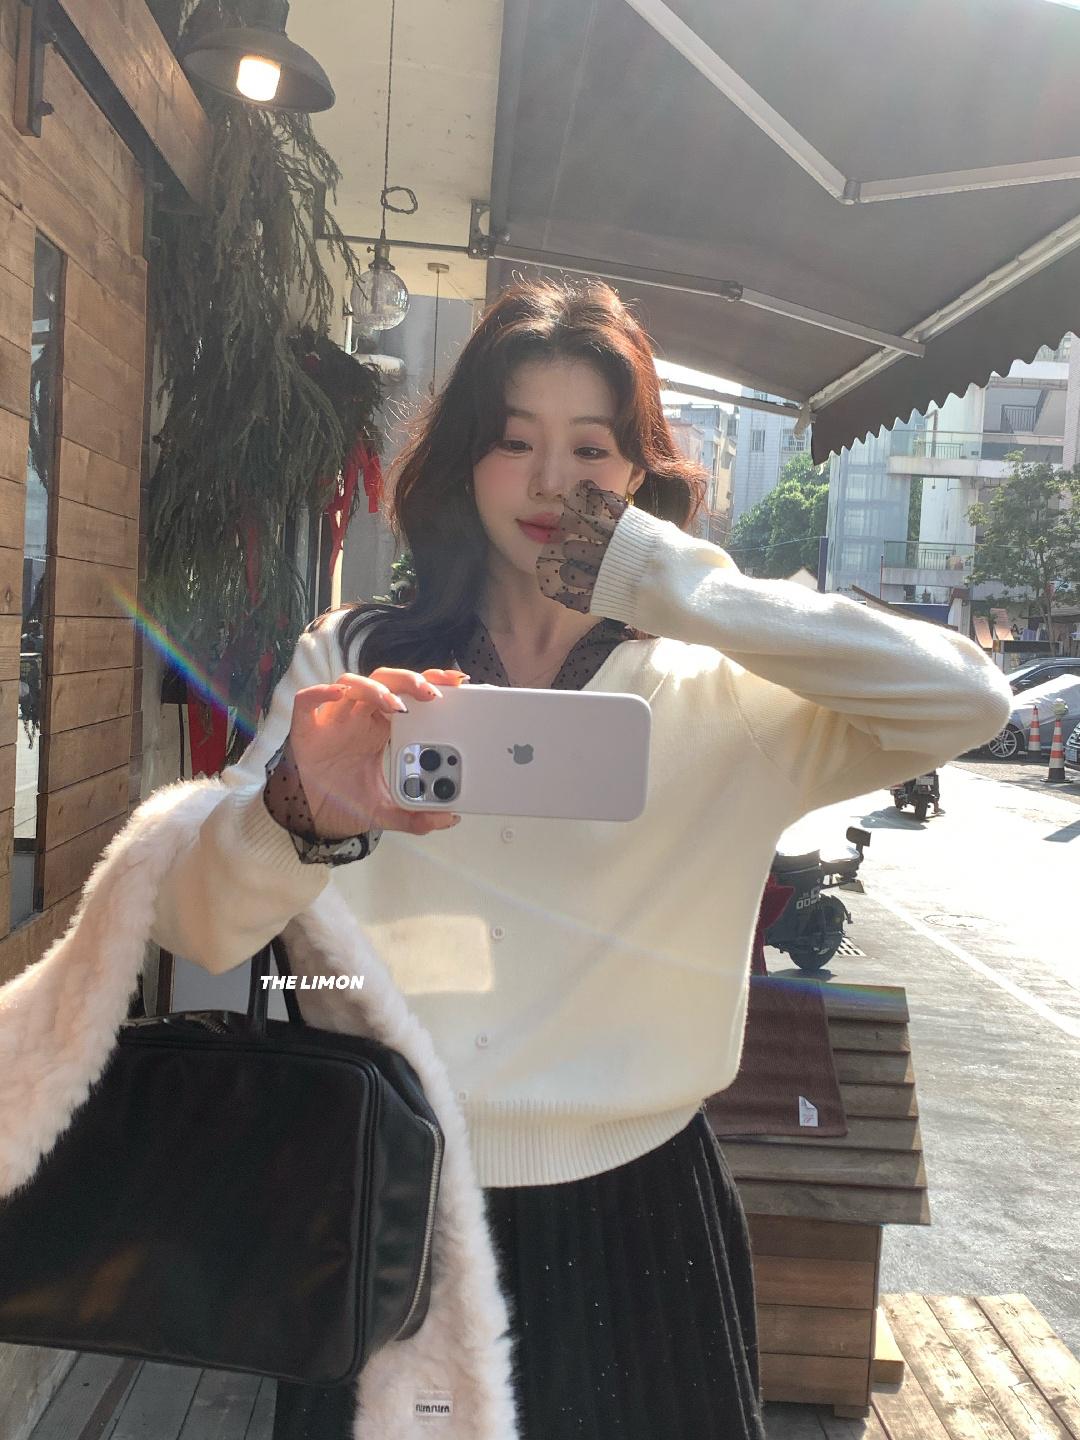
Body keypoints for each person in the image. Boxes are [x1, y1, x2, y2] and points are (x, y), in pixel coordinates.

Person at [150, 278, 1013, 1439]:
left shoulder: (725, 693)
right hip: (391, 1208)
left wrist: (670, 582)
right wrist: (298, 808)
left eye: (593, 449)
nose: (553, 482)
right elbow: (198, 925)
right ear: (465, 463)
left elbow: (969, 699)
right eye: (514, 442)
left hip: (641, 1221)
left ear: (642, 476)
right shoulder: (353, 665)